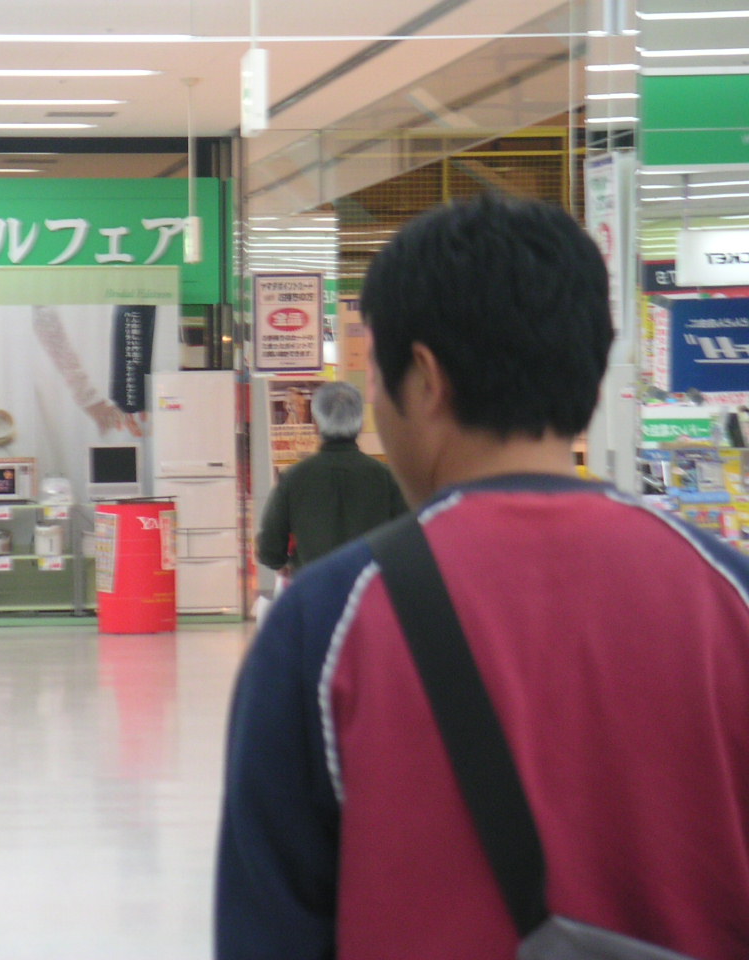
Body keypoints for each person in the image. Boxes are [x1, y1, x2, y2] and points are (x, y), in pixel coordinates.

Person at [216, 192, 749, 959]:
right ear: (592, 371)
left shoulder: (323, 627)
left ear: (425, 378)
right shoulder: (728, 593)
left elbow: (269, 933)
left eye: (377, 377)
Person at [256, 381, 406, 574]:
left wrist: (286, 565)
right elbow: (408, 541)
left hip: (313, 585)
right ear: (361, 425)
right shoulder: (387, 478)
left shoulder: (293, 478)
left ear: (316, 425)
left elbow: (269, 549)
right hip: (370, 587)